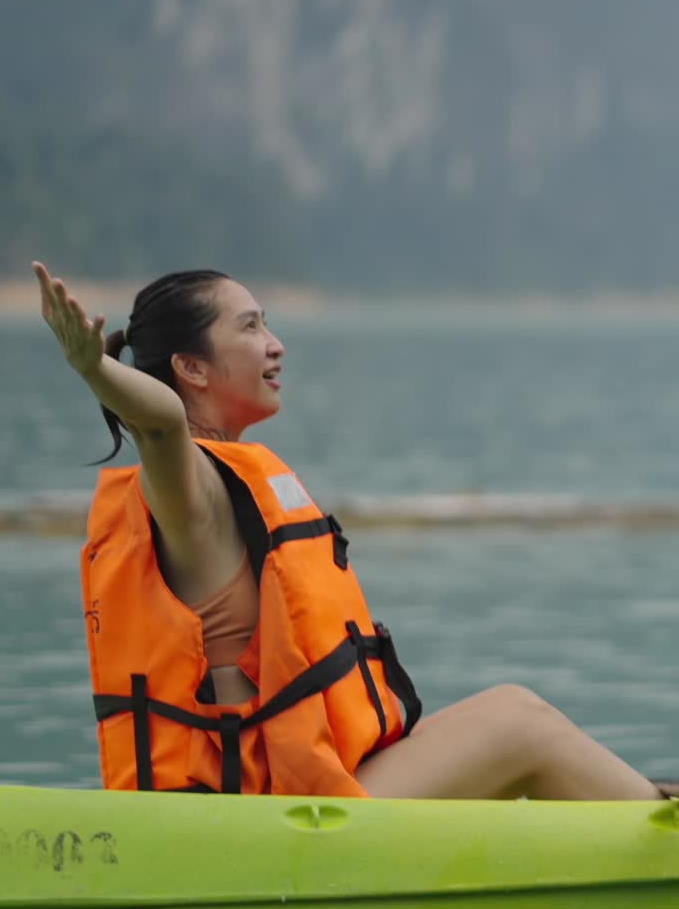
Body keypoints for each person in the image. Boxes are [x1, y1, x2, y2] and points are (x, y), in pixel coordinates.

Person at [33, 260, 672, 801]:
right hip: (262, 806)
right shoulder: (186, 488)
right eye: (250, 326)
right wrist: (96, 373)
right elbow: (164, 424)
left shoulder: (228, 477)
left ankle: (646, 815)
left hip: (312, 775)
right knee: (521, 724)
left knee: (512, 715)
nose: (275, 343)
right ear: (192, 369)